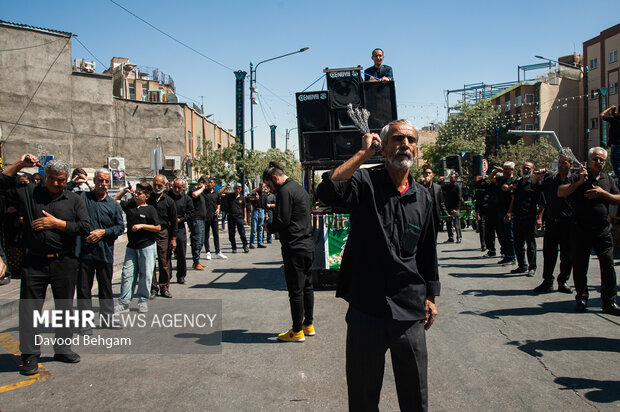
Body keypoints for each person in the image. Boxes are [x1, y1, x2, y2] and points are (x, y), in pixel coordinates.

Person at [316, 119, 439, 411]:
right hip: (366, 309)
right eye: (397, 139)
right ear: (384, 146)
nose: (404, 145)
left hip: (408, 310)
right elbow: (327, 192)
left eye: (410, 140)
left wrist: (431, 296)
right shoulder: (364, 183)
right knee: (362, 395)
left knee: (414, 393)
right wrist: (362, 155)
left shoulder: (423, 197)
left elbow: (427, 252)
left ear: (416, 149)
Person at [0, 154, 90, 375]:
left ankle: (62, 348)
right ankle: (29, 355)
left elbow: (84, 227)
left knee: (64, 307)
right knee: (30, 309)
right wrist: (21, 164)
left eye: (60, 180)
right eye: (52, 179)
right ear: (44, 176)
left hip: (64, 261)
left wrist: (57, 223)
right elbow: (2, 183)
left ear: (66, 178)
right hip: (34, 262)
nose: (56, 184)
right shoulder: (30, 193)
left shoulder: (74, 200)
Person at [558, 147, 620, 315]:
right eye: (595, 159)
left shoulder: (607, 179)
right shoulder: (579, 176)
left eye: (601, 160)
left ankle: (609, 302)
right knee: (580, 267)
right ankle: (582, 298)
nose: (598, 162)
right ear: (589, 159)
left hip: (602, 231)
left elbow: (618, 198)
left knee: (608, 266)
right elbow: (561, 191)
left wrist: (602, 194)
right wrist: (578, 182)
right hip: (580, 230)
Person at [263, 162, 314, 342]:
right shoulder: (299, 189)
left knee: (295, 291)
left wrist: (269, 227)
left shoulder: (284, 192)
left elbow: (282, 221)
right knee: (307, 287)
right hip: (307, 245)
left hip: (294, 248)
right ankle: (308, 324)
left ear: (275, 178)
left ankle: (297, 330)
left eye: (270, 186)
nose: (271, 190)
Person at [76, 168, 125, 335]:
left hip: (104, 252)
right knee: (84, 289)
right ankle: (85, 324)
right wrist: (74, 181)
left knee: (105, 287)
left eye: (106, 181)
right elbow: (66, 196)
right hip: (84, 252)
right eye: (100, 181)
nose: (103, 184)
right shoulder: (83, 199)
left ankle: (107, 319)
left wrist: (104, 232)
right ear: (94, 181)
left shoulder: (112, 204)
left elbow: (120, 227)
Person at [114, 183, 160, 314]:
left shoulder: (150, 209)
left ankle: (143, 301)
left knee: (145, 274)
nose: (136, 194)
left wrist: (141, 226)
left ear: (146, 196)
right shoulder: (130, 206)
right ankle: (123, 303)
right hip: (132, 247)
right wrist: (124, 191)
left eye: (139, 193)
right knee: (127, 274)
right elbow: (115, 200)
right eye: (136, 192)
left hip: (147, 246)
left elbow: (157, 227)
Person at [534, 152, 573, 293]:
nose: (562, 165)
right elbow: (537, 189)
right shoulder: (551, 179)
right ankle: (547, 281)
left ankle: (563, 281)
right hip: (551, 222)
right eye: (560, 163)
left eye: (565, 163)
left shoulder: (574, 180)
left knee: (567, 255)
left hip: (568, 223)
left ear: (571, 164)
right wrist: (538, 175)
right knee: (549, 254)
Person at [506, 162, 543, 277]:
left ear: (532, 170)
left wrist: (539, 218)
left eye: (528, 168)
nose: (526, 170)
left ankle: (532, 267)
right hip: (517, 217)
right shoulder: (518, 182)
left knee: (530, 243)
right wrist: (509, 212)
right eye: (524, 168)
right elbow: (513, 198)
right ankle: (522, 266)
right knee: (518, 243)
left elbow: (541, 203)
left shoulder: (535, 184)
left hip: (529, 217)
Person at [148, 175, 177, 298]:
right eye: (155, 184)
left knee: (164, 260)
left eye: (159, 185)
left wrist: (173, 239)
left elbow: (174, 221)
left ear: (165, 185)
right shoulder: (148, 199)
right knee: (150, 262)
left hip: (163, 233)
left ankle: (164, 287)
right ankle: (153, 288)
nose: (156, 187)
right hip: (149, 232)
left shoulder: (169, 201)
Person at [166, 178, 194, 285]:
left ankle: (181, 276)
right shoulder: (167, 196)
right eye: (175, 187)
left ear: (183, 188)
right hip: (168, 228)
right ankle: (167, 275)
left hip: (180, 228)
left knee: (181, 253)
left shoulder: (186, 199)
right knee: (167, 254)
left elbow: (191, 213)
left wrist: (181, 219)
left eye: (179, 187)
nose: (176, 189)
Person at [490, 162, 517, 266]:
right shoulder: (501, 179)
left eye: (508, 169)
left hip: (508, 212)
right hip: (500, 211)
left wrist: (509, 213)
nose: (506, 171)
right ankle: (506, 255)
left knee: (509, 236)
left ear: (512, 170)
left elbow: (513, 199)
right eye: (504, 168)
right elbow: (490, 177)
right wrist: (497, 170)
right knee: (502, 235)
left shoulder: (515, 181)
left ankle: (511, 257)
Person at [422, 166, 448, 241]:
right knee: (425, 238)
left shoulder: (437, 187)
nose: (427, 175)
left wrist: (446, 213)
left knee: (434, 238)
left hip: (434, 216)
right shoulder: (421, 187)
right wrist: (425, 184)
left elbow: (441, 202)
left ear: (433, 175)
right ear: (423, 175)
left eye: (429, 173)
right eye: (426, 173)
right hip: (424, 217)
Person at [203, 177, 226, 259]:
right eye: (208, 182)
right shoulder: (204, 193)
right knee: (206, 235)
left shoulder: (216, 193)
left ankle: (218, 251)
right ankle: (208, 252)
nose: (209, 184)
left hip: (214, 216)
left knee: (216, 234)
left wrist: (218, 208)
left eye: (211, 182)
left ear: (214, 184)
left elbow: (218, 202)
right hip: (206, 217)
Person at [474, 176, 498, 255]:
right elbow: (477, 200)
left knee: (497, 230)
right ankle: (486, 246)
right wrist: (477, 213)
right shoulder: (479, 187)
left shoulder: (492, 185)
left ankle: (503, 250)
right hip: (482, 210)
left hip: (492, 210)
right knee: (483, 228)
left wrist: (488, 178)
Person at [188, 176, 208, 270]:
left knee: (201, 241)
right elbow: (195, 195)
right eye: (206, 184)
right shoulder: (193, 190)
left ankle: (197, 261)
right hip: (195, 219)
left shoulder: (202, 193)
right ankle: (196, 262)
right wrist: (202, 187)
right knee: (197, 240)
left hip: (202, 219)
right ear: (201, 182)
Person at [225, 184, 249, 253]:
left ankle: (245, 246)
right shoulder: (230, 196)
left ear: (241, 189)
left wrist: (245, 217)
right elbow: (220, 193)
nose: (237, 189)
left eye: (239, 188)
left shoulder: (242, 197)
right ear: (234, 189)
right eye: (236, 188)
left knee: (242, 233)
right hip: (231, 217)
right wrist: (226, 187)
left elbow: (244, 208)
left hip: (239, 217)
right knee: (231, 234)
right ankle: (234, 247)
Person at [600, 105, 620, 177]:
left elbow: (601, 115)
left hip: (616, 147)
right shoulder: (615, 118)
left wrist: (610, 108)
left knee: (616, 166)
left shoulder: (614, 119)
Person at [443, 172, 462, 243]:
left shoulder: (457, 187)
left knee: (456, 223)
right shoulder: (447, 186)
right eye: (450, 177)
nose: (451, 179)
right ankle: (450, 238)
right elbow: (441, 187)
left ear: (455, 178)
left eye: (452, 177)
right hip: (448, 207)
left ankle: (459, 237)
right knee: (448, 223)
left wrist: (456, 209)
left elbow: (459, 199)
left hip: (455, 208)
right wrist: (441, 181)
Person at [248, 183, 268, 249]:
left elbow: (265, 205)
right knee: (254, 228)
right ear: (259, 187)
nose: (262, 187)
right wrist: (255, 199)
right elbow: (248, 198)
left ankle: (260, 243)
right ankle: (252, 243)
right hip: (255, 210)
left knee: (260, 228)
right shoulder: (255, 193)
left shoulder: (265, 195)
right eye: (261, 186)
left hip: (262, 211)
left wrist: (266, 213)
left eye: (263, 186)